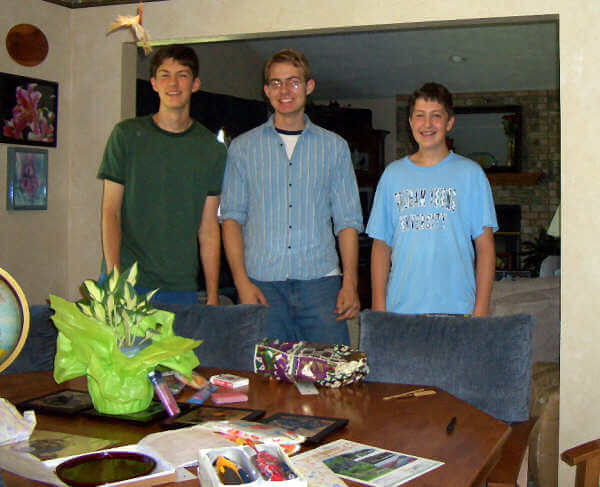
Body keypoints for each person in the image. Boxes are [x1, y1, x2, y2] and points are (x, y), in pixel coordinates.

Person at [220, 48, 363, 344]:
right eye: (276, 83)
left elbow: (347, 220)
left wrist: (350, 281)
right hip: (262, 286)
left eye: (293, 82)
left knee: (330, 380)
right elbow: (231, 218)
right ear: (266, 91)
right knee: (268, 384)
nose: (284, 90)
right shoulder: (242, 149)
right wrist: (241, 282)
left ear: (309, 87)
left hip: (321, 286)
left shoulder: (334, 147)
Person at [97, 45, 226, 305]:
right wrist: (114, 280)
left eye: (182, 75)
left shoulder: (212, 149)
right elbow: (111, 212)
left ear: (195, 83)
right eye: (165, 75)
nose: (174, 83)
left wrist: (212, 295)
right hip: (126, 284)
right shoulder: (126, 135)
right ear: (154, 84)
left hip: (180, 288)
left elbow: (209, 228)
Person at [366, 82, 497, 316]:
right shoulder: (392, 175)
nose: (427, 124)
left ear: (449, 123)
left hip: (458, 310)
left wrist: (481, 310)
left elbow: (485, 247)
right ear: (410, 122)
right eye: (420, 116)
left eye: (436, 116)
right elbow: (381, 246)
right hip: (401, 311)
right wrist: (379, 308)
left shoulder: (471, 174)